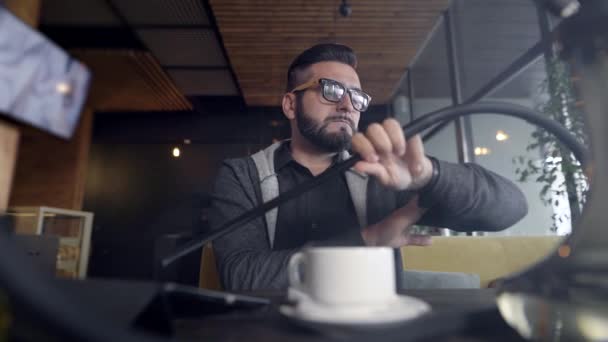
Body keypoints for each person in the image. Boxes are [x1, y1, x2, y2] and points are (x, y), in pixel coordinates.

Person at [209, 43, 528, 291]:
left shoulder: (383, 174)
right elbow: (242, 276)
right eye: (330, 90)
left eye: (357, 97)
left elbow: (510, 208)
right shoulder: (243, 175)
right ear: (291, 104)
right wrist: (369, 239)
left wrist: (428, 175)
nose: (347, 105)